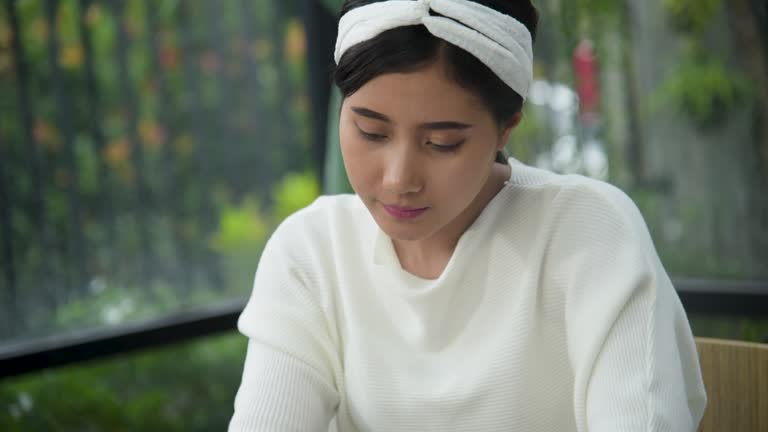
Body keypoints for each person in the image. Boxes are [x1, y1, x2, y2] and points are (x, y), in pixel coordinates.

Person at [228, 0, 707, 430]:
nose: (399, 179)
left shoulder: (589, 233)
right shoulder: (313, 251)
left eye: (442, 143)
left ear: (505, 128)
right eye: (371, 132)